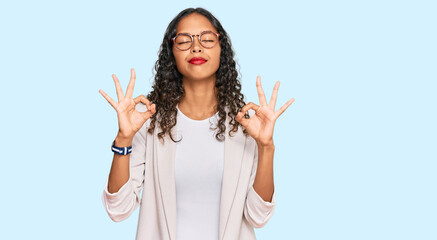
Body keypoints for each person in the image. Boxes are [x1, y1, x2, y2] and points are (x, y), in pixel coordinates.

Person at [99, 7, 294, 240]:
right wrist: (124, 139)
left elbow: (258, 218)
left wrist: (266, 147)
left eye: (207, 39)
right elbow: (118, 210)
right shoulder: (146, 120)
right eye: (184, 40)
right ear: (171, 53)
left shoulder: (246, 125)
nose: (196, 47)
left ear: (222, 50)